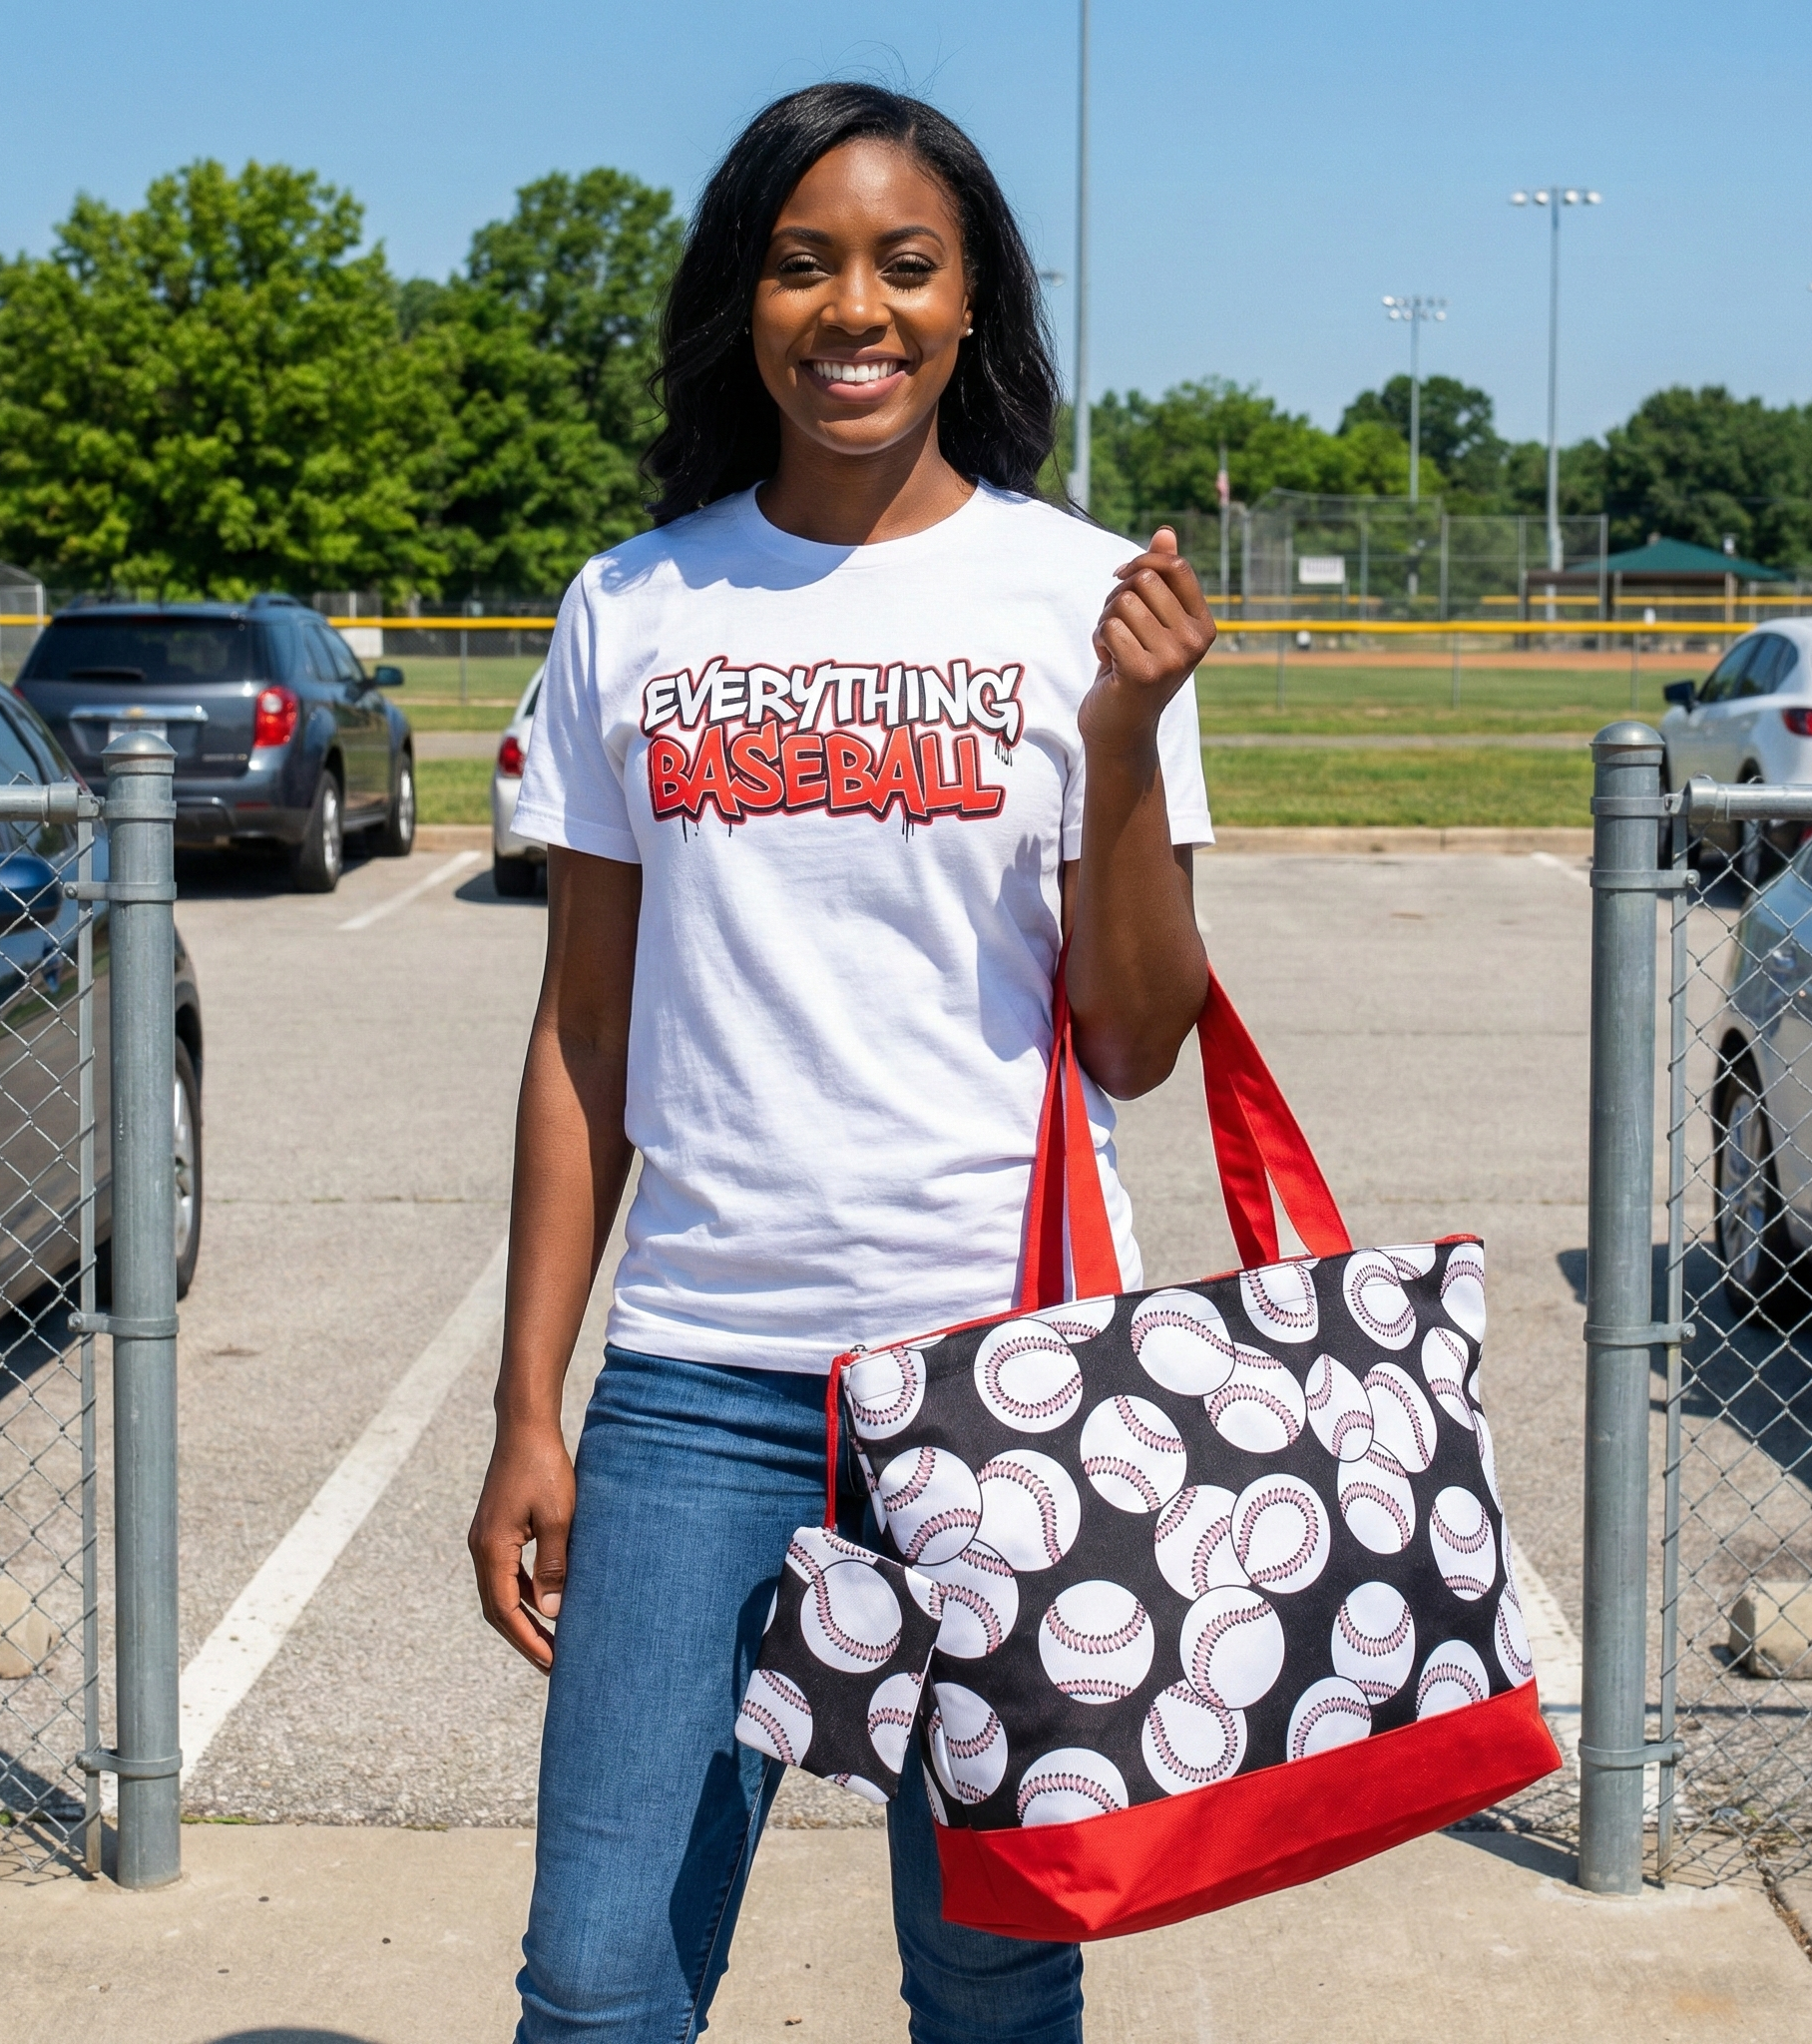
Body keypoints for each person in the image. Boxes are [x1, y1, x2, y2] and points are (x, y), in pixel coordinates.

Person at [468, 80, 1216, 2044]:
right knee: (600, 1970)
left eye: (905, 263)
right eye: (804, 265)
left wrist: (1124, 743)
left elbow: (1137, 1030)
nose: (854, 308)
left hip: (1000, 1379)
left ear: (971, 306)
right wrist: (526, 1404)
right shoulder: (634, 607)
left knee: (989, 1969)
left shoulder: (1079, 601)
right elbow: (583, 1033)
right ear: (748, 300)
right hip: (698, 1381)